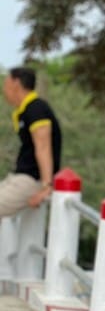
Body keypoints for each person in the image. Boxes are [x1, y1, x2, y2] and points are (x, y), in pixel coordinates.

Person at [1, 67, 61, 216]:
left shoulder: (36, 109)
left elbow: (43, 147)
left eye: (5, 83)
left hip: (31, 180)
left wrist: (47, 186)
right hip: (20, 176)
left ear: (15, 83)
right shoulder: (26, 109)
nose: (3, 89)